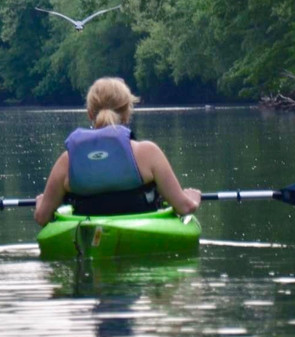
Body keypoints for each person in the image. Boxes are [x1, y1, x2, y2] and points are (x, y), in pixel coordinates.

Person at [33, 77, 201, 226]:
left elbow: (42, 218)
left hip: (87, 232)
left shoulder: (67, 160)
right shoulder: (149, 153)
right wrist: (193, 198)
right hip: (141, 231)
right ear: (127, 113)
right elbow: (184, 207)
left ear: (90, 113)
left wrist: (41, 203)